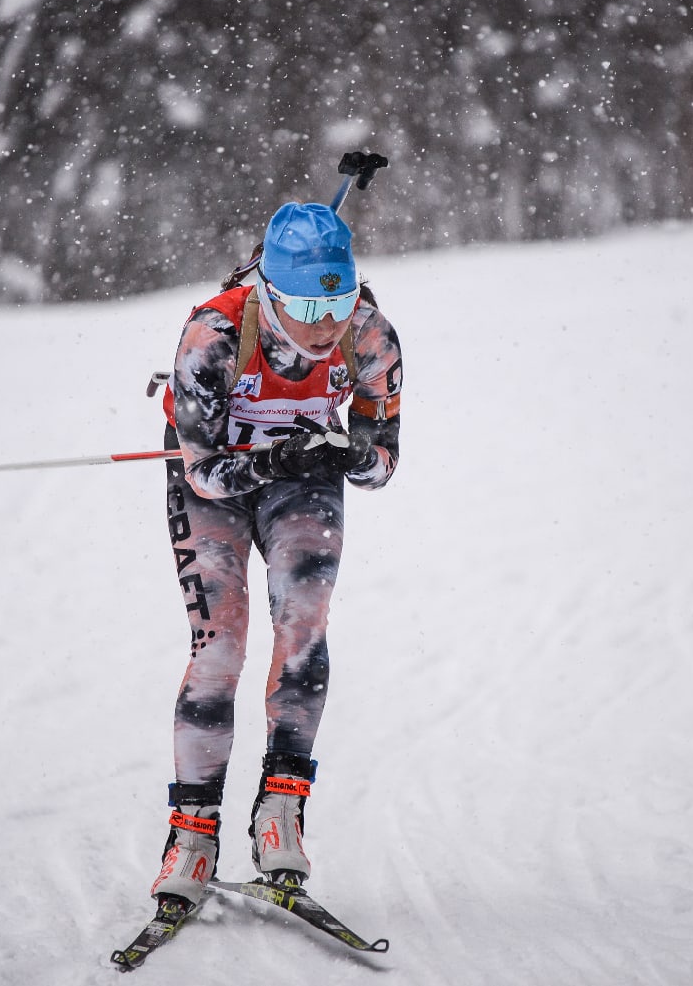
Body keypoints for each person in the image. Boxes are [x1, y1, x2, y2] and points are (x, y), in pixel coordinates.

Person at [148, 200, 403, 913]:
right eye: (303, 307)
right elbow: (203, 473)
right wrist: (272, 456)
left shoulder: (370, 338)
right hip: (219, 483)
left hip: (307, 477)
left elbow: (382, 463)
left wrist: (351, 452)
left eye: (338, 304)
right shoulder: (214, 335)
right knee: (220, 643)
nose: (323, 328)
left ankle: (280, 809)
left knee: (303, 624)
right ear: (267, 291)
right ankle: (192, 833)